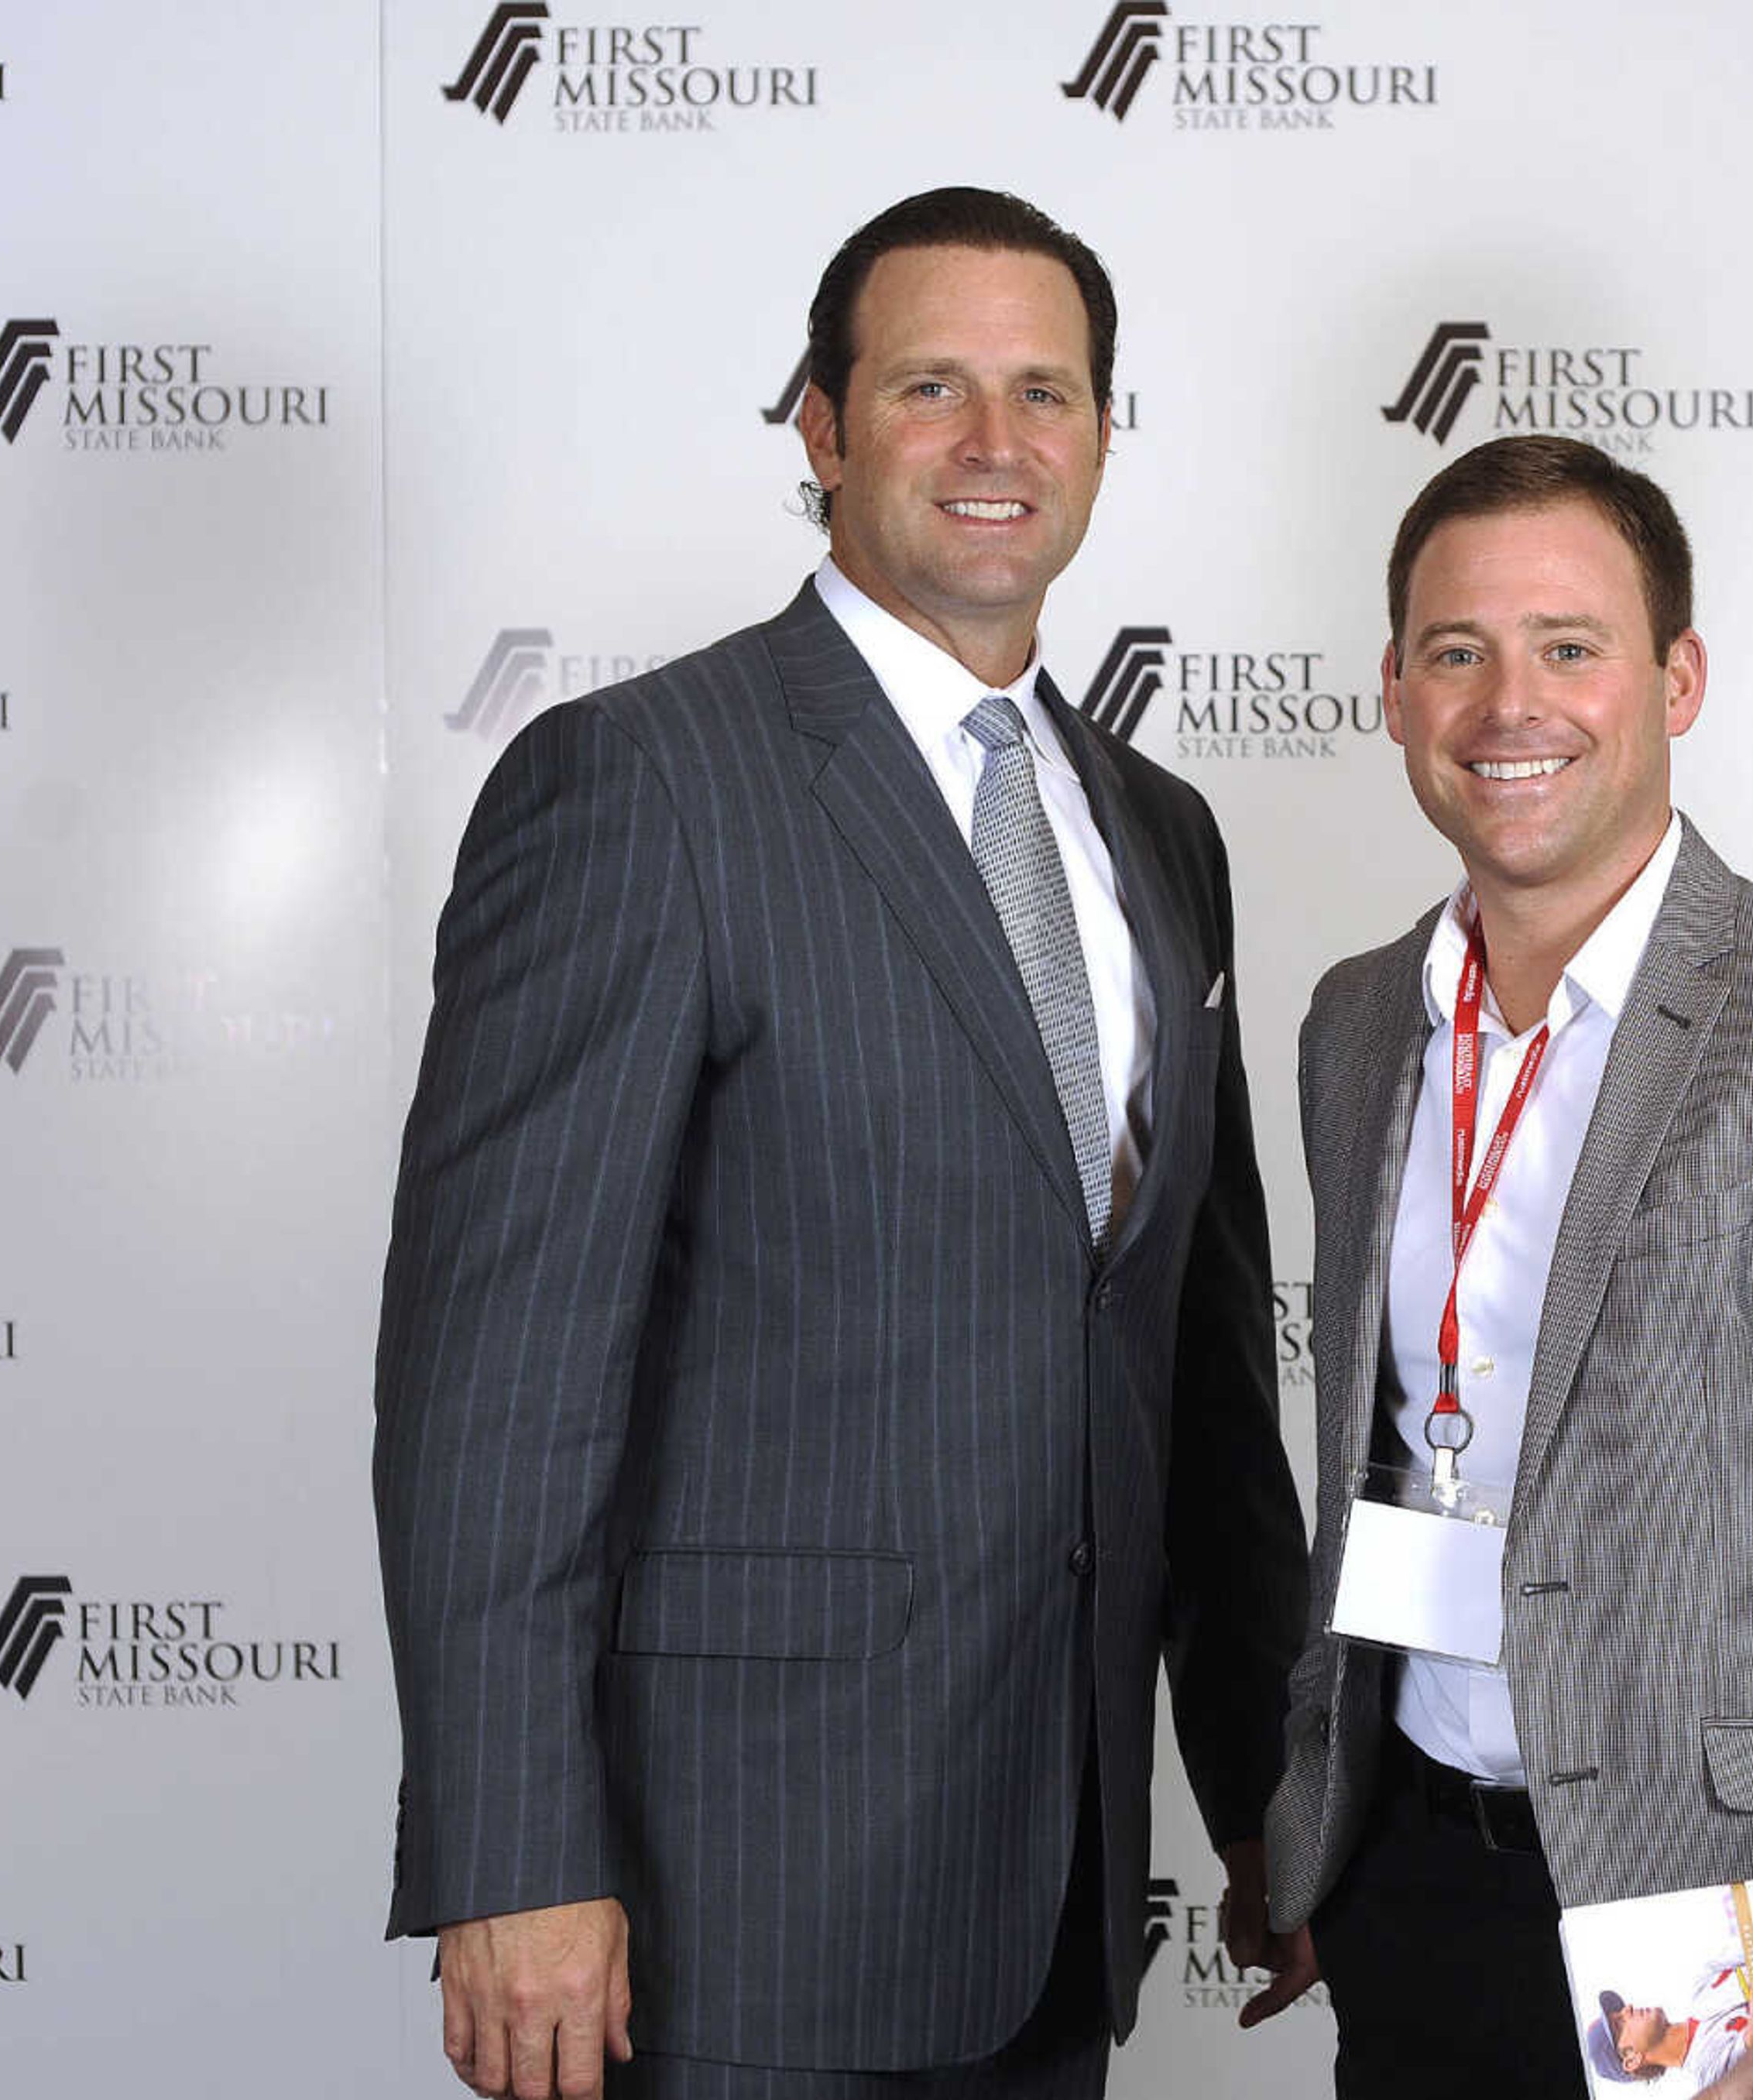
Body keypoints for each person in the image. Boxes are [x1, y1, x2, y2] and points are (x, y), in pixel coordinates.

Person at [373, 186, 1309, 2100]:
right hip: (726, 1908)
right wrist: (515, 1853)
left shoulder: (1162, 832)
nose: (995, 444)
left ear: (1105, 438)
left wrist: (1269, 1793)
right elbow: (495, 1384)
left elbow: (1188, 1371)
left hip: (1050, 1896)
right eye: (929, 388)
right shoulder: (640, 784)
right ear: (819, 424)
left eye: (1046, 393)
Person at [1245, 436, 1753, 2098]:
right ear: (1394, 691)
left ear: (1678, 677)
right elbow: (1392, 1451)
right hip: (1409, 1896)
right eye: (1456, 651)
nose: (1507, 703)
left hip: (1733, 1939)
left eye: (1570, 647)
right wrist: (1322, 1824)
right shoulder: (1357, 1022)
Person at [1590, 1971, 1753, 2089]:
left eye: (1621, 2011)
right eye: (1619, 2024)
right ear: (1632, 2060)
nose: (1628, 2009)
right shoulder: (1712, 2074)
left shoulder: (1703, 1986)